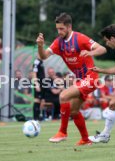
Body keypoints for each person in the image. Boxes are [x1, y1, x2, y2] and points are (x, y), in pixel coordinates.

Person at [36, 12, 106, 145]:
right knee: (74, 111)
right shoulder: (58, 42)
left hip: (91, 77)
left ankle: (62, 132)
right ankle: (85, 140)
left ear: (69, 27)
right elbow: (43, 56)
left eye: (62, 29)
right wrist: (40, 46)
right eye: (57, 29)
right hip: (81, 80)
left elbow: (102, 49)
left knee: (63, 96)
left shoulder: (79, 38)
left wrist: (90, 52)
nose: (59, 31)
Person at [32, 57, 45, 121]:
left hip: (42, 83)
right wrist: (36, 84)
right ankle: (35, 118)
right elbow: (34, 73)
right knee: (37, 100)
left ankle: (39, 117)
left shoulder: (41, 61)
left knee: (41, 100)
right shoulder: (36, 61)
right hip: (38, 83)